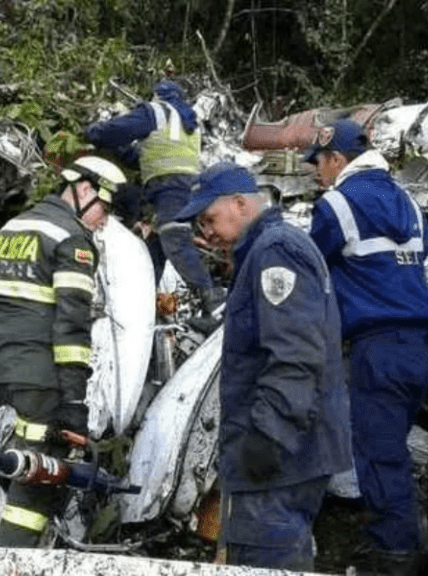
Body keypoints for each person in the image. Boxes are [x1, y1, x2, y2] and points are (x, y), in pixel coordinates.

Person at [174, 162, 352, 570]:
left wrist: (267, 438)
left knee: (266, 559)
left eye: (209, 218)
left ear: (240, 204)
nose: (206, 233)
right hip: (288, 450)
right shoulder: (263, 250)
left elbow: (294, 354)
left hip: (283, 456)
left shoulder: (276, 251)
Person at [305, 119, 428, 575]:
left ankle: (395, 557)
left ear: (337, 159)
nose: (316, 173)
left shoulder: (336, 204)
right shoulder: (408, 202)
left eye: (318, 163)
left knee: (379, 457)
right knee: (391, 451)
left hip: (376, 348)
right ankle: (407, 539)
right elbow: (421, 250)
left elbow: (307, 264)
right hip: (419, 348)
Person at [0, 155, 126, 547]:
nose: (103, 221)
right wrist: (74, 404)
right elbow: (71, 330)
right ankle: (10, 562)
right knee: (39, 481)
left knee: (5, 467)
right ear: (85, 190)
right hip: (37, 378)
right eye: (104, 210)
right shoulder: (73, 240)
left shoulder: (12, 227)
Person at [83, 80, 226, 320]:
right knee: (153, 255)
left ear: (157, 96)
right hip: (184, 188)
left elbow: (116, 131)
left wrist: (91, 133)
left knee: (175, 242)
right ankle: (142, 310)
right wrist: (120, 151)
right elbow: (147, 156)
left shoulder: (157, 111)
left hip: (169, 188)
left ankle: (214, 300)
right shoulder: (187, 121)